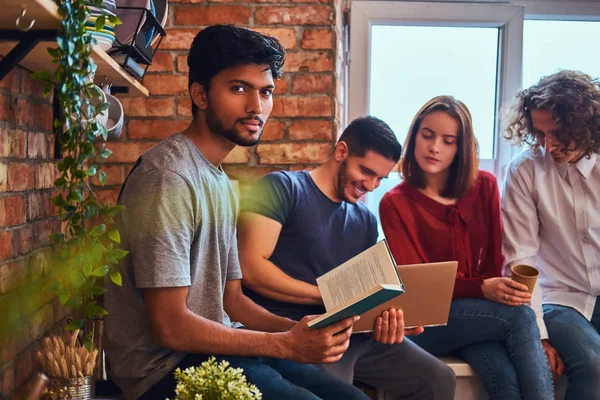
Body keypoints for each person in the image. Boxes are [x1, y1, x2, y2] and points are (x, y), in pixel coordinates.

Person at [104, 25, 370, 400]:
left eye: (266, 92)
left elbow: (231, 300)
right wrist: (285, 346)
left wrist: (296, 331)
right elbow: (169, 326)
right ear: (200, 94)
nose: (256, 107)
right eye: (238, 88)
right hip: (165, 369)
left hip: (217, 350)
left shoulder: (222, 183)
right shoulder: (168, 177)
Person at [238, 116, 456, 400]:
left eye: (380, 178)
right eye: (366, 171)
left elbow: (364, 293)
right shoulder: (283, 188)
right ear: (341, 152)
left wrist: (389, 319)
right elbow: (251, 269)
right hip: (299, 330)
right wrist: (328, 298)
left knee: (438, 380)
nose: (371, 185)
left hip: (354, 332)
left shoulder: (365, 219)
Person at [379, 96, 554, 400]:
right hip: (427, 322)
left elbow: (495, 260)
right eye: (427, 135)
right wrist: (481, 289)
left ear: (460, 148)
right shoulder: (394, 203)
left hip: (476, 315)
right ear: (414, 135)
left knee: (505, 380)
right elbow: (421, 284)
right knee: (522, 318)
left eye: (448, 141)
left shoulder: (485, 186)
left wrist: (488, 289)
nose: (435, 147)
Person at [502, 70, 600, 400]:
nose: (549, 146)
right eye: (540, 133)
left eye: (557, 133)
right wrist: (538, 336)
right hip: (559, 298)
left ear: (585, 124)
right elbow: (520, 259)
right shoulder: (525, 171)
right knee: (593, 363)